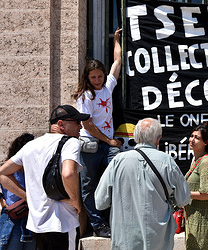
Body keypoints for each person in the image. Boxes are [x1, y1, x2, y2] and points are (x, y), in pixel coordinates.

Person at [0, 105, 89, 249]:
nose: (81, 126)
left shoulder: (31, 146)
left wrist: (28, 197)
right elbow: (68, 173)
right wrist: (75, 201)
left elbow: (3, 173)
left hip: (37, 225)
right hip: (62, 223)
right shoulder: (70, 142)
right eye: (77, 122)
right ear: (61, 124)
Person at [94, 118, 190, 250]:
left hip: (125, 240)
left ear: (136, 137)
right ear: (158, 139)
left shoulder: (117, 161)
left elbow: (100, 202)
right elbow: (184, 199)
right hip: (158, 240)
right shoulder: (167, 161)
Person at [73, 28, 123, 237]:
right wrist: (109, 141)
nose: (97, 80)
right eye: (93, 77)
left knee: (117, 178)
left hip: (107, 144)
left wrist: (116, 41)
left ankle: (115, 220)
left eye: (100, 76)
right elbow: (88, 125)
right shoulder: (85, 96)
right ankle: (98, 225)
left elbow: (117, 63)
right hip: (91, 145)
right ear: (87, 77)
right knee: (89, 186)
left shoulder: (107, 87)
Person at [185, 122, 208, 250]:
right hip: (192, 217)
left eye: (197, 138)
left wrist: (185, 194)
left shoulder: (206, 162)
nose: (192, 140)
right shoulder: (195, 160)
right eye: (191, 136)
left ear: (206, 142)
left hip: (202, 220)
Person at [0, 133, 35, 250]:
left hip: (30, 219)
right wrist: (3, 201)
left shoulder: (33, 170)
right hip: (13, 219)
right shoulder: (9, 170)